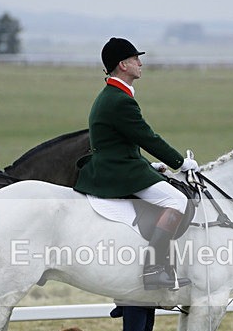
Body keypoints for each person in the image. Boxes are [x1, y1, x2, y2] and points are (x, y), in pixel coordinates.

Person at [74, 37, 199, 291]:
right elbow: (147, 137)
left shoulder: (113, 95)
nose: (140, 63)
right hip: (117, 172)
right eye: (135, 59)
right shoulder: (120, 100)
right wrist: (180, 162)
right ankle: (153, 269)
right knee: (178, 201)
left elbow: (123, 143)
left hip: (120, 164)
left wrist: (149, 167)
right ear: (123, 65)